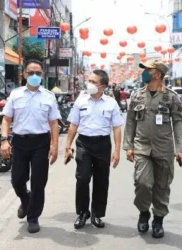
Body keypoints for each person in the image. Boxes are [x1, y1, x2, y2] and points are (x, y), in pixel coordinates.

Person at [123, 59, 182, 238]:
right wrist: (128, 145)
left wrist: (181, 149)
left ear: (158, 74)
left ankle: (158, 218)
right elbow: (130, 121)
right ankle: (144, 213)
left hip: (164, 148)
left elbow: (179, 122)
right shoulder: (137, 95)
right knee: (142, 183)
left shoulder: (171, 97)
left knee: (162, 185)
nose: (144, 72)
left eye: (148, 70)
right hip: (142, 147)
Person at [0, 59, 61, 234]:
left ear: (41, 75)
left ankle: (33, 217)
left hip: (41, 142)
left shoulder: (48, 96)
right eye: (31, 72)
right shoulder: (16, 94)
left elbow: (54, 123)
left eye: (38, 73)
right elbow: (6, 119)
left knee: (38, 182)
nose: (34, 76)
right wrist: (4, 140)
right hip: (19, 142)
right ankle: (25, 201)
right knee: (17, 180)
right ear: (24, 74)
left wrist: (54, 146)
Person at [65, 69, 124, 230]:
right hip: (84, 143)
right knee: (82, 177)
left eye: (94, 82)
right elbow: (73, 125)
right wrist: (68, 146)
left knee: (101, 180)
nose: (89, 84)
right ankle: (83, 212)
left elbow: (117, 129)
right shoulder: (80, 101)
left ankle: (97, 214)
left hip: (103, 144)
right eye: (89, 81)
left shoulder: (111, 103)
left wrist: (117, 151)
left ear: (103, 86)